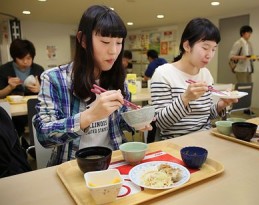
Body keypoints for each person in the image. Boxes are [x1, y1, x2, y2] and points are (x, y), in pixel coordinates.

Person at [33, 5, 152, 166]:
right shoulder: (54, 79)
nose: (114, 51)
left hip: (115, 161)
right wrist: (90, 116)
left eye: (119, 42)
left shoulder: (118, 79)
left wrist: (136, 121)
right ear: (83, 40)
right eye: (105, 42)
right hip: (72, 165)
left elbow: (118, 123)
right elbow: (44, 136)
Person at [150, 17, 238, 139]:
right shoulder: (163, 73)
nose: (210, 55)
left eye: (213, 49)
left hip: (206, 136)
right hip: (177, 141)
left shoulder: (205, 74)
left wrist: (221, 104)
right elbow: (161, 123)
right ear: (187, 46)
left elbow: (206, 115)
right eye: (205, 48)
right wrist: (185, 98)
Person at [0, 39, 44, 147]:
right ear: (14, 57)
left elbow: (47, 93)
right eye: (21, 58)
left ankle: (35, 147)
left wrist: (40, 89)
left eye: (28, 58)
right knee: (14, 128)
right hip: (13, 113)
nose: (25, 62)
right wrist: (9, 87)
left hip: (34, 109)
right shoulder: (4, 70)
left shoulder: (38, 69)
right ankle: (17, 148)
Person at [229, 25, 255, 115]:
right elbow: (231, 56)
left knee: (249, 89)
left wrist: (254, 58)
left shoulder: (249, 44)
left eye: (250, 33)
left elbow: (250, 56)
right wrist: (243, 57)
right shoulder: (238, 43)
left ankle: (247, 108)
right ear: (243, 33)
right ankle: (238, 107)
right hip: (240, 69)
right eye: (248, 33)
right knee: (242, 89)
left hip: (248, 69)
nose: (250, 35)